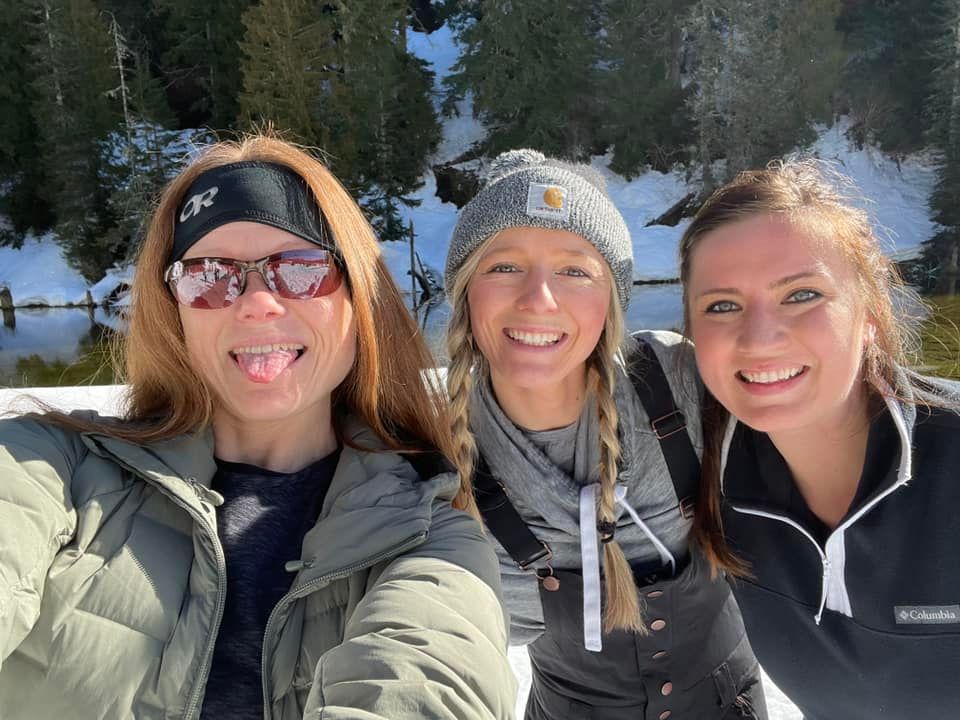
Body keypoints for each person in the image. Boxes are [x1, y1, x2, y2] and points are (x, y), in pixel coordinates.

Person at [0, 134, 516, 720]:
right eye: (209, 275)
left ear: (359, 298)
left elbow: (425, 684)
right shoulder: (48, 468)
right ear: (175, 310)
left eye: (300, 269)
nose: (256, 303)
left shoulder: (429, 536)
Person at [444, 149, 765, 720]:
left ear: (611, 298)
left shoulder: (681, 382)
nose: (538, 299)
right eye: (503, 266)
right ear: (465, 291)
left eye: (574, 270)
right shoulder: (436, 449)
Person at [680, 159, 960, 720]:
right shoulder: (702, 469)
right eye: (722, 305)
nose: (758, 338)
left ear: (870, 313)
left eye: (802, 294)